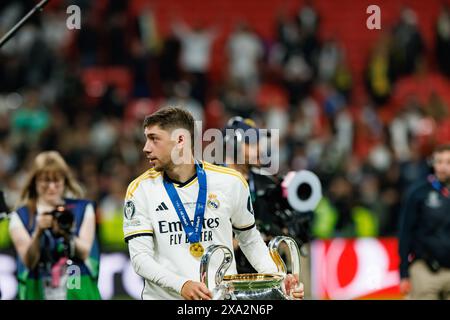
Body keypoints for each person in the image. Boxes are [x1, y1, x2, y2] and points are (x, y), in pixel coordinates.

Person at [124, 107, 304, 300]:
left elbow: (250, 240)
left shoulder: (230, 182)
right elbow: (141, 260)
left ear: (180, 140)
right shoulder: (140, 189)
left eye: (154, 138)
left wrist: (277, 279)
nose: (146, 147)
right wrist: (182, 285)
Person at [8, 151, 101, 300]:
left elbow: (84, 252)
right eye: (45, 180)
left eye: (56, 180)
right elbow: (28, 261)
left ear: (65, 180)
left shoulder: (82, 209)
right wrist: (38, 231)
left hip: (76, 285)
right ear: (35, 181)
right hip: (37, 289)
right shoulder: (21, 216)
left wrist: (66, 232)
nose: (51, 187)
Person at [398, 144, 450, 299]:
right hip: (425, 270)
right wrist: (404, 273)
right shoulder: (418, 193)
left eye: (448, 162)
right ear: (432, 163)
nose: (442, 167)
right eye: (439, 161)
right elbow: (405, 232)